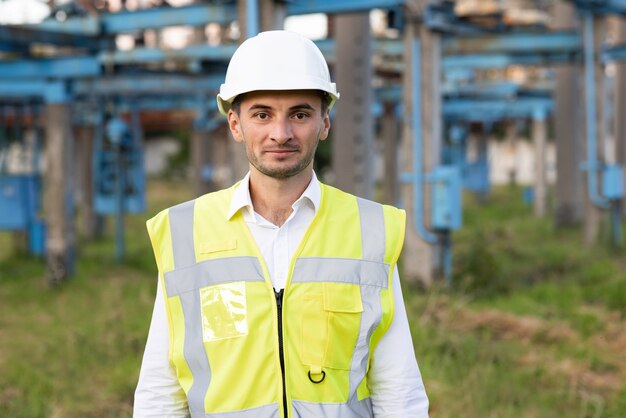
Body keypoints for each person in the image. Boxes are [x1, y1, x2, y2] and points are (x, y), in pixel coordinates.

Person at [134, 30, 429, 418]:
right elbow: (162, 391)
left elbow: (398, 388)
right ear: (235, 124)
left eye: (300, 114)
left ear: (324, 123)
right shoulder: (185, 232)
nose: (281, 133)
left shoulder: (369, 230)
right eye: (262, 114)